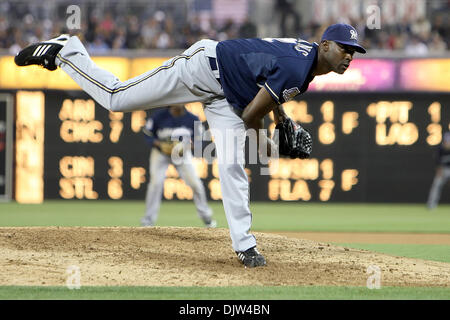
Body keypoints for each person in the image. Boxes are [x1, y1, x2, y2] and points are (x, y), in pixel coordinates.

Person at [14, 23, 366, 268]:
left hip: (227, 93)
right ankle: (69, 51)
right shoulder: (299, 67)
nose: (349, 56)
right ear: (324, 46)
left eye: (354, 51)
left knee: (231, 165)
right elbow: (251, 115)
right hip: (202, 69)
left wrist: (283, 122)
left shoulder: (304, 63)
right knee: (116, 98)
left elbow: (264, 85)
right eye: (343, 48)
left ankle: (244, 246)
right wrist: (273, 140)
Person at [141, 105, 216, 228]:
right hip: (161, 154)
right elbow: (147, 133)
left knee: (195, 184)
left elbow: (200, 140)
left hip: (182, 154)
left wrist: (188, 146)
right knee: (155, 184)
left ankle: (207, 218)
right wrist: (158, 143)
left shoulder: (193, 118)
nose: (178, 103)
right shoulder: (159, 116)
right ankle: (148, 221)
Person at [427, 131, 450, 209]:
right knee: (436, 186)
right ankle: (431, 205)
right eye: (447, 141)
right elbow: (437, 162)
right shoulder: (440, 149)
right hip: (442, 170)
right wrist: (439, 171)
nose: (448, 143)